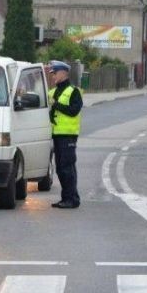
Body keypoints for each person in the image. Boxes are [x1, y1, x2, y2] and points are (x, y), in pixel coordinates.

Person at [47, 60, 83, 209]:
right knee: (61, 168)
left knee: (67, 167)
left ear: (64, 72)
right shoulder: (52, 92)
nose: (53, 76)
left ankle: (72, 199)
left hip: (68, 135)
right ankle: (67, 198)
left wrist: (57, 105)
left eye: (55, 73)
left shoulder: (74, 91)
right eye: (52, 73)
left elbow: (74, 110)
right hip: (56, 134)